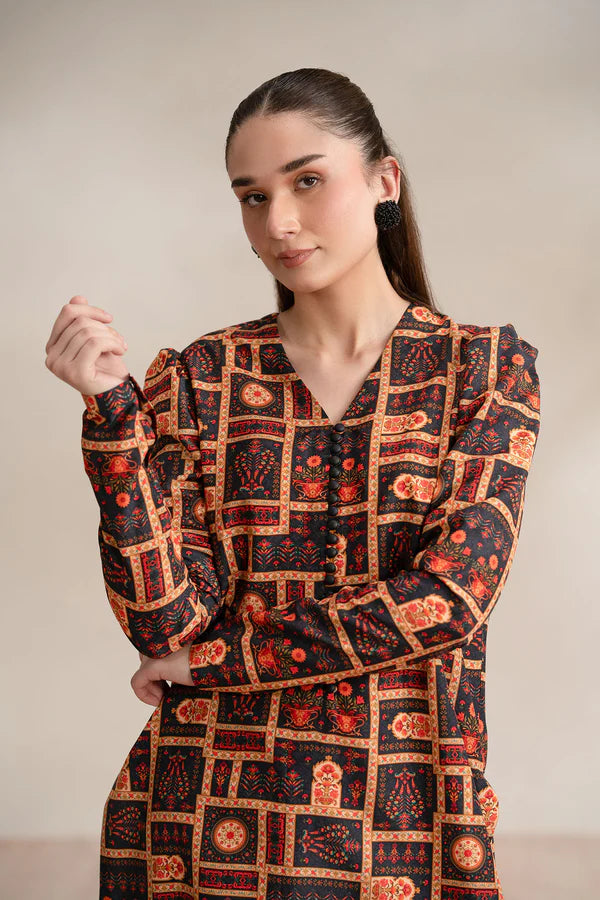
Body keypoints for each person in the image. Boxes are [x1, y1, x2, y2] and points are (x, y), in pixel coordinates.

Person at [45, 68, 541, 900]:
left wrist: (214, 663)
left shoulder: (481, 371)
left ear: (384, 182)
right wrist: (112, 420)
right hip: (201, 824)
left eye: (307, 181)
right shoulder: (198, 379)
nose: (277, 221)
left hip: (406, 827)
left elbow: (446, 600)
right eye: (251, 196)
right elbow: (166, 623)